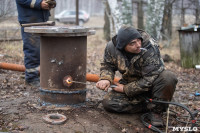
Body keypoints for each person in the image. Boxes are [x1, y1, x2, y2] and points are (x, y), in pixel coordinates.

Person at [96, 25, 178, 127]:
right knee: (109, 103)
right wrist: (105, 78)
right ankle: (154, 103)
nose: (138, 45)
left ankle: (157, 111)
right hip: (130, 81)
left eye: (139, 40)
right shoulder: (111, 47)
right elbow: (107, 65)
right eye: (132, 43)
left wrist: (126, 89)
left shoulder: (149, 47)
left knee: (169, 77)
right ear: (122, 46)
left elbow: (150, 78)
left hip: (153, 84)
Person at [16, 0, 56, 87]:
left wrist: (51, 3)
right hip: (30, 21)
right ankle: (31, 79)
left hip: (43, 20)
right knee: (33, 51)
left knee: (45, 50)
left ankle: (43, 76)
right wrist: (39, 4)